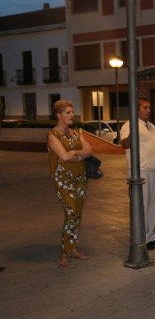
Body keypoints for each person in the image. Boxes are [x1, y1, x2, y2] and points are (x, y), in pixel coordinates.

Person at [48, 100, 93, 267]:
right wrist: (74, 155)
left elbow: (89, 151)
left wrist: (75, 152)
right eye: (67, 112)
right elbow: (64, 157)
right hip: (63, 179)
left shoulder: (76, 132)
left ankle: (73, 247)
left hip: (80, 177)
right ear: (59, 115)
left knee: (78, 213)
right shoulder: (52, 135)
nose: (72, 115)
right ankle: (65, 251)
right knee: (71, 212)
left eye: (72, 112)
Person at [121, 98, 155, 250]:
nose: (149, 110)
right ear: (137, 110)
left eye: (149, 107)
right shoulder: (129, 125)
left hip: (154, 172)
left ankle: (149, 236)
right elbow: (124, 144)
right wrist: (132, 134)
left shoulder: (151, 126)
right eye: (145, 108)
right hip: (140, 172)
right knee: (142, 206)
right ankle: (140, 239)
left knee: (153, 204)